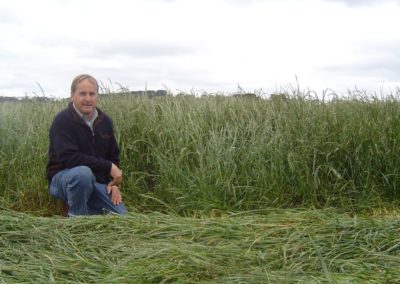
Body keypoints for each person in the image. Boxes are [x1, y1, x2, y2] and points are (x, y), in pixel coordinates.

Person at [46, 74, 127, 216]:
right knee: (82, 174)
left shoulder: (105, 121)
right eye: (82, 93)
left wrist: (112, 184)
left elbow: (113, 155)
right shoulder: (62, 121)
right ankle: (78, 222)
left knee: (121, 217)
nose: (88, 99)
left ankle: (83, 205)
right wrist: (108, 167)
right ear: (72, 95)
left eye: (92, 94)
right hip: (62, 179)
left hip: (96, 182)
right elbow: (70, 158)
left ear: (97, 96)